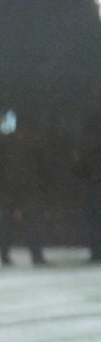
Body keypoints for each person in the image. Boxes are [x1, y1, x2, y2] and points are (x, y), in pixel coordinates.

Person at [0, 112, 47, 266]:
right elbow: (41, 167)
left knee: (7, 223)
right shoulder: (34, 144)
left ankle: (4, 254)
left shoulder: (5, 143)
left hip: (9, 187)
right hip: (27, 187)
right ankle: (36, 255)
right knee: (32, 222)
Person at [73, 112, 101, 263]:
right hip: (94, 185)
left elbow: (80, 167)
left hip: (91, 185)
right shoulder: (90, 147)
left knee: (93, 222)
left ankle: (95, 251)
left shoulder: (87, 145)